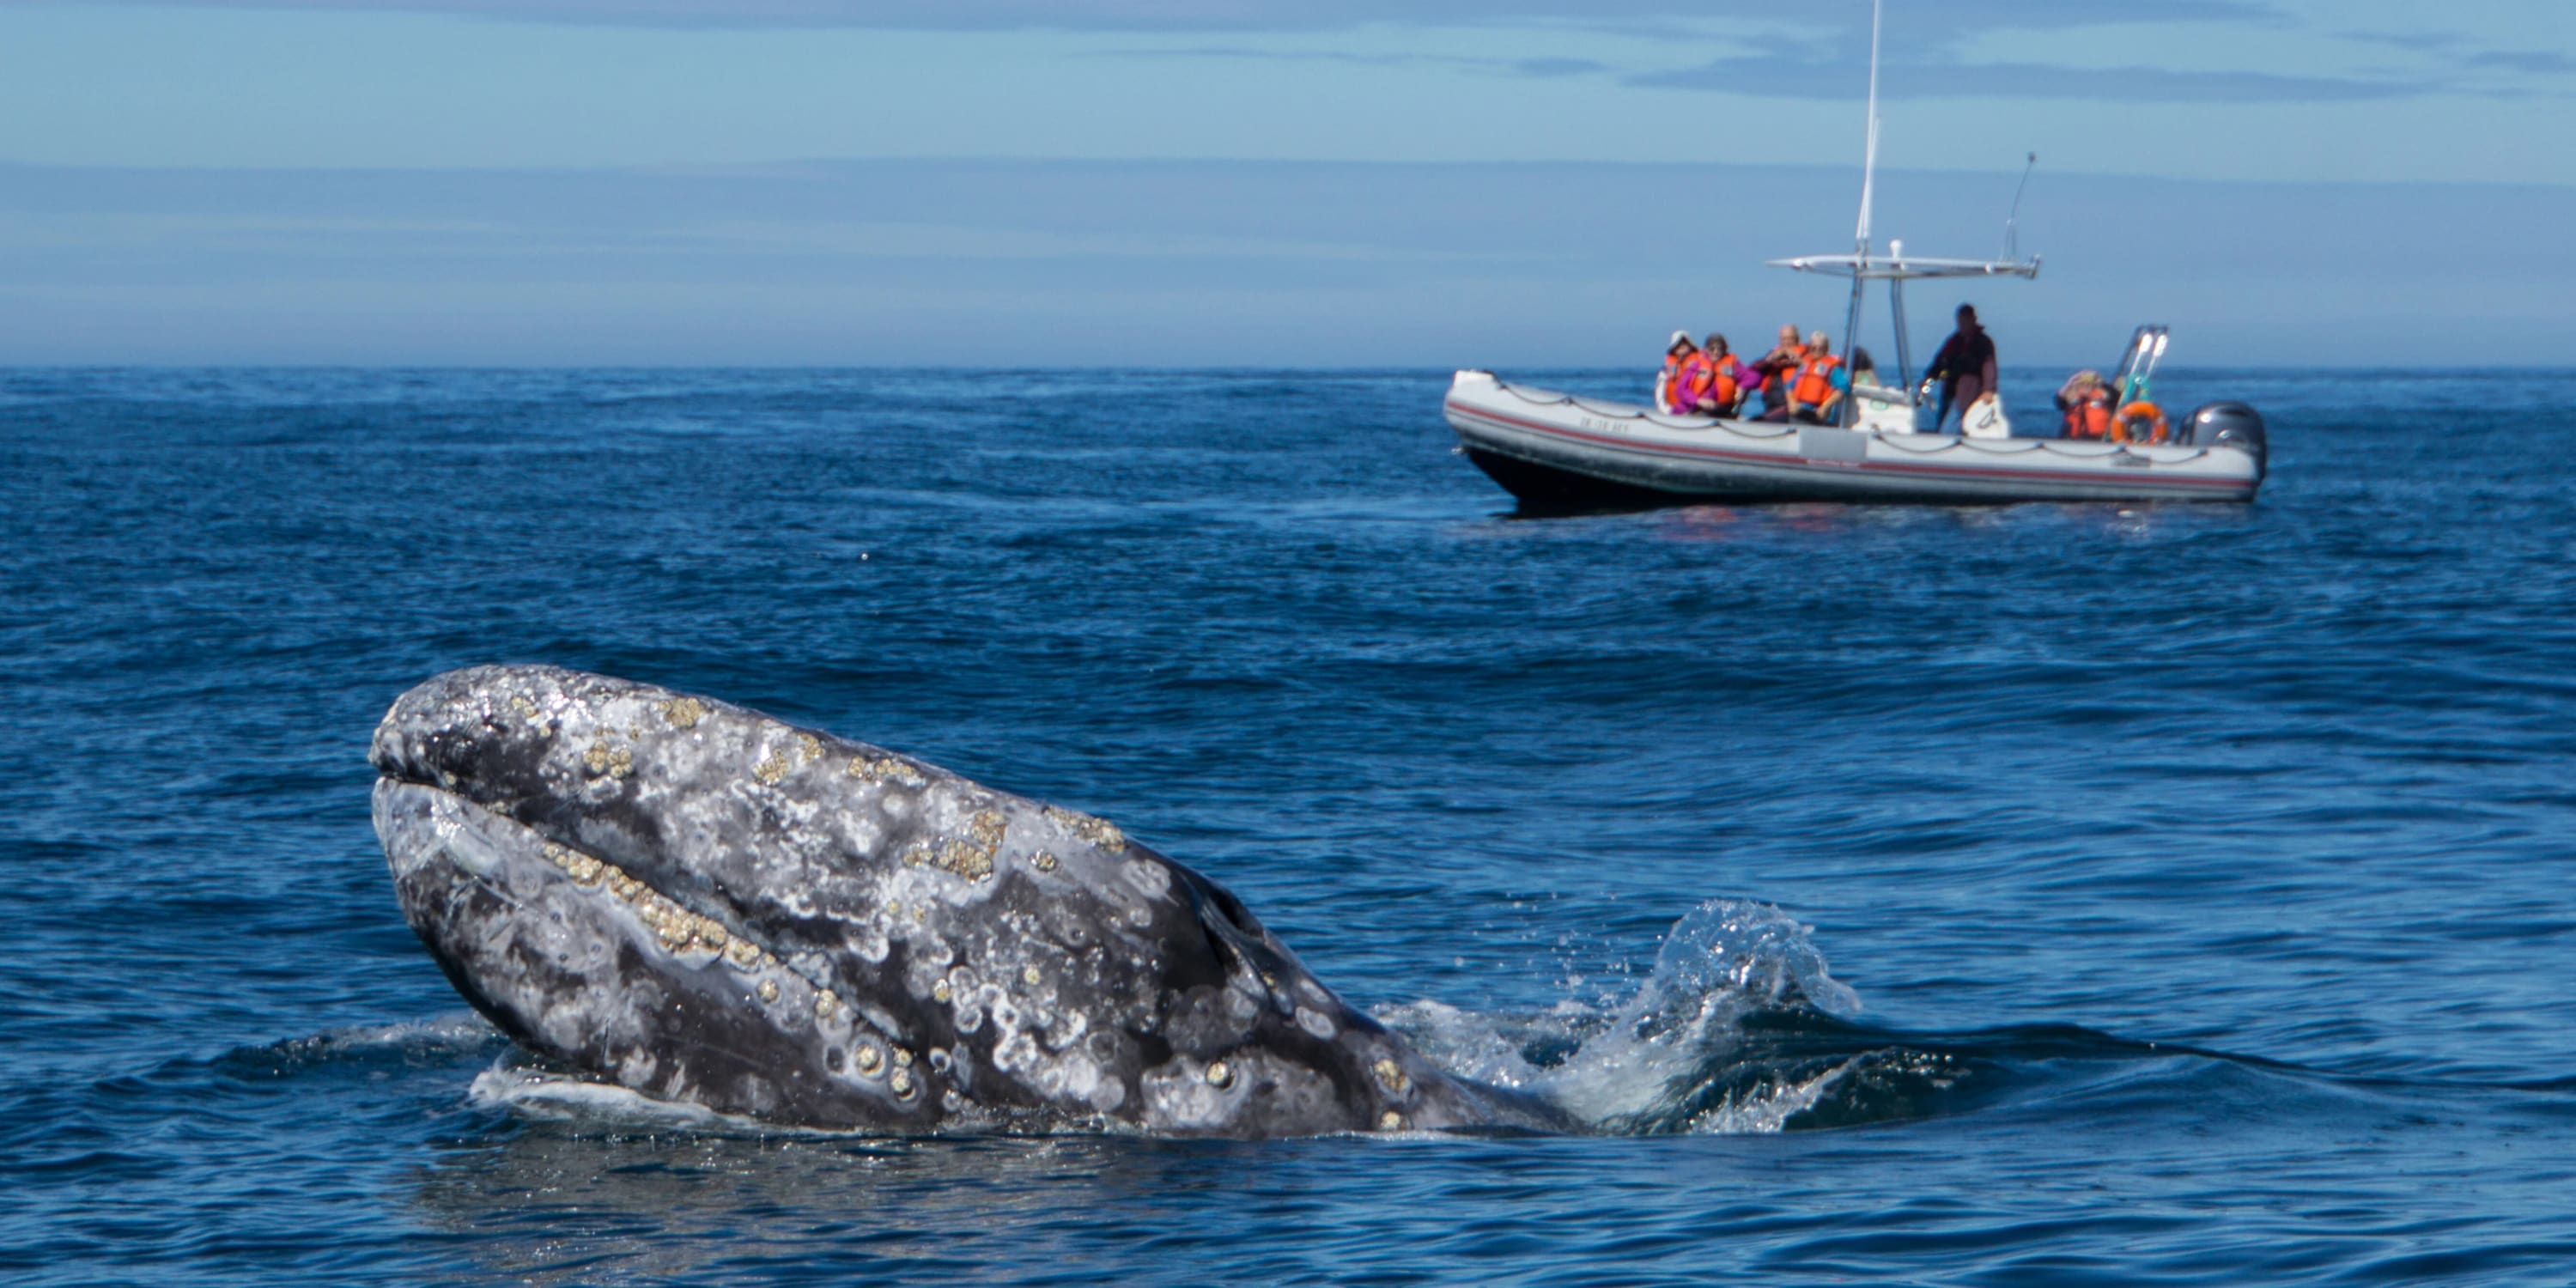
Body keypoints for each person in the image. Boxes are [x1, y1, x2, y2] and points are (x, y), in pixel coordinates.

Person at [1926, 304, 1999, 434]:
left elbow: (1989, 367)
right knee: (1945, 425)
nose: (1963, 324)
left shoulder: (1983, 342)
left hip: (1974, 393)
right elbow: (1939, 365)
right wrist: (1928, 383)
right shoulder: (1953, 342)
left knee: (1971, 426)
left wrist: (1988, 390)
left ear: (1973, 319)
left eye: (1966, 320)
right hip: (1951, 392)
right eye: (1960, 320)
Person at [1680, 333, 1759, 417]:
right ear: (1706, 349)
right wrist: (1698, 401)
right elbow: (1681, 389)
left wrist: (1742, 386)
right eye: (1712, 349)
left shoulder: (1733, 364)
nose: (1716, 352)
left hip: (1725, 410)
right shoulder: (1697, 364)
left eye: (1720, 349)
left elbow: (1754, 377)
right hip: (1700, 409)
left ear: (1724, 350)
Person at [1786, 331, 1849, 425]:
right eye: (1814, 348)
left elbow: (1843, 388)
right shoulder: (1804, 365)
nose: (1817, 350)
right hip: (1798, 410)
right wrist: (1791, 402)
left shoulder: (1833, 368)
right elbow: (1789, 387)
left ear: (1826, 349)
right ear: (1810, 348)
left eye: (1821, 348)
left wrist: (1825, 407)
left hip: (1816, 414)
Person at [1755, 323, 1804, 419]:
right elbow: (1755, 367)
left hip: (1789, 404)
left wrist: (1796, 359)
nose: (1786, 342)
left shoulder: (1805, 354)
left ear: (1797, 339)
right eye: (1784, 339)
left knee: (1762, 421)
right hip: (1771, 402)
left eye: (1790, 338)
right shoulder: (1775, 353)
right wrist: (1771, 359)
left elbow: (1809, 367)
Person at [2056, 370, 2114, 439]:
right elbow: (2059, 400)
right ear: (2077, 386)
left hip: (2097, 438)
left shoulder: (2102, 396)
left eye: (2089, 384)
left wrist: (2102, 382)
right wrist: (2070, 382)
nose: (2086, 386)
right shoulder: (2070, 398)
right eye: (2082, 384)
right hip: (2072, 439)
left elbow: (2114, 395)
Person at [1653, 331, 1698, 412]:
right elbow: (1659, 396)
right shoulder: (1664, 371)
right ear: (1673, 348)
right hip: (1672, 411)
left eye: (1685, 343)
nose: (1681, 346)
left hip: (1696, 411)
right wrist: (1666, 411)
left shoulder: (1701, 367)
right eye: (1678, 343)